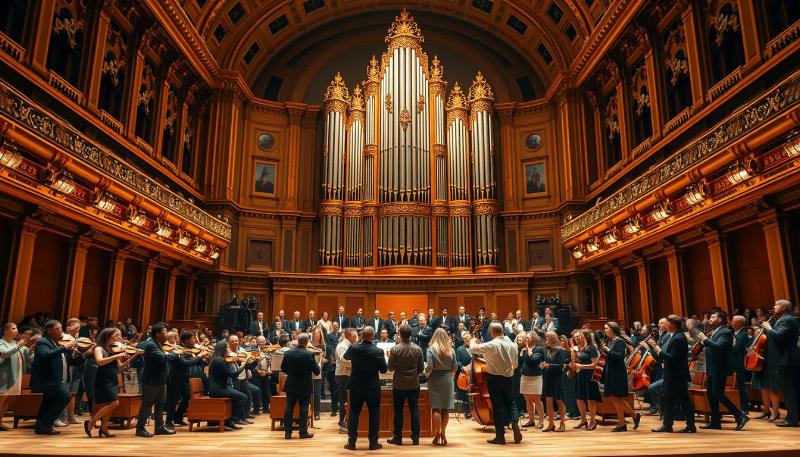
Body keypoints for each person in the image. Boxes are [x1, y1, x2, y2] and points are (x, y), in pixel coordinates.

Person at [469, 322, 521, 445]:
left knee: (497, 407)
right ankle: (514, 423)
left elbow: (472, 349)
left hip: (494, 379)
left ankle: (500, 437)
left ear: (492, 332)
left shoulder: (492, 344)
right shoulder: (513, 345)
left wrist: (472, 340)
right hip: (509, 378)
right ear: (503, 331)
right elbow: (516, 365)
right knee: (511, 404)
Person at [85, 327, 141, 437]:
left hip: (112, 380)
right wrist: (118, 355)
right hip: (103, 380)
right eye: (115, 336)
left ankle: (104, 428)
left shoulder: (112, 350)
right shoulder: (99, 348)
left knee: (110, 404)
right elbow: (100, 362)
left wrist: (134, 355)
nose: (118, 338)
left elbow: (119, 368)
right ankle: (91, 422)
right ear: (107, 336)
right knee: (115, 403)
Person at [698, 311, 748, 430]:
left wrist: (705, 340)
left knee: (718, 393)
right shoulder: (715, 331)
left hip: (720, 368)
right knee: (711, 394)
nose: (710, 319)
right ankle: (715, 421)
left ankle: (740, 415)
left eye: (713, 317)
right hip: (712, 367)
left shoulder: (725, 332)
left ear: (720, 320)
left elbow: (719, 347)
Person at [647, 315, 695, 433]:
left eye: (667, 323)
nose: (665, 325)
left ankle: (673, 425)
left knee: (679, 400)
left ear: (673, 324)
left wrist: (657, 349)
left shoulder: (678, 338)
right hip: (674, 374)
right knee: (674, 400)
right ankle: (677, 425)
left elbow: (673, 358)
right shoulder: (674, 336)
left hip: (676, 375)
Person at [30, 320, 78, 435]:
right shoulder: (43, 342)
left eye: (61, 328)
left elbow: (66, 361)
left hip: (56, 379)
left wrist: (85, 354)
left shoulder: (56, 342)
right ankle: (45, 423)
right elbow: (45, 355)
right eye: (58, 329)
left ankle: (41, 425)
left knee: (48, 401)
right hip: (48, 379)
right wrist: (65, 347)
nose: (61, 331)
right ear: (49, 330)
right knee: (65, 397)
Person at [343, 326, 387, 451]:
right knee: (374, 414)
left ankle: (351, 442)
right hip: (372, 387)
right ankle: (373, 443)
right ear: (373, 336)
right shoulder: (378, 351)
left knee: (354, 413)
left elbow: (346, 357)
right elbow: (384, 369)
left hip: (356, 385)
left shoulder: (354, 347)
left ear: (362, 335)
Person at [135, 322, 179, 437]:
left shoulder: (158, 344)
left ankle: (159, 427)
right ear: (157, 334)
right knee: (147, 404)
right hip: (152, 380)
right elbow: (163, 358)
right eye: (164, 333)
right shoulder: (151, 345)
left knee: (160, 403)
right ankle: (140, 428)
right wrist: (175, 353)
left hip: (160, 379)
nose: (166, 335)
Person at [762, 299, 800, 427]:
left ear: (784, 307)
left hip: (786, 359)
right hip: (784, 359)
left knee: (790, 390)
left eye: (776, 305)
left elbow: (779, 336)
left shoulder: (787, 319)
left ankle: (792, 420)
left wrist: (768, 328)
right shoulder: (783, 318)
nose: (774, 306)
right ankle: (793, 417)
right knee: (790, 390)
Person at [386, 323, 424, 446]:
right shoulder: (418, 349)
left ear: (400, 335)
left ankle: (397, 437)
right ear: (411, 334)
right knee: (415, 410)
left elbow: (390, 368)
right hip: (414, 384)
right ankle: (416, 438)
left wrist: (390, 358)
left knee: (398, 411)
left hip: (399, 385)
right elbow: (421, 369)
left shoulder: (395, 349)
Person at [280, 332, 320, 439]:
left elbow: (283, 368)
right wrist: (318, 363)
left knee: (289, 406)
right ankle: (303, 433)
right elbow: (317, 371)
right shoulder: (309, 354)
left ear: (298, 340)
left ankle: (287, 433)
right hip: (305, 385)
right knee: (304, 407)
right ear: (307, 342)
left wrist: (292, 373)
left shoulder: (288, 353)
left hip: (291, 384)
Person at [165, 331, 207, 428]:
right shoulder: (177, 349)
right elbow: (185, 363)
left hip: (184, 378)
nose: (195, 340)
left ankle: (178, 418)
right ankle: (168, 422)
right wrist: (199, 356)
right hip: (175, 379)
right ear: (186, 340)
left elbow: (194, 362)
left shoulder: (189, 350)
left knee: (187, 396)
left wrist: (203, 359)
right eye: (193, 339)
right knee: (173, 401)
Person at [603, 321, 640, 432]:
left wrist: (607, 350)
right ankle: (624, 421)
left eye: (606, 328)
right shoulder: (610, 341)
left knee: (617, 397)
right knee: (615, 398)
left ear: (613, 329)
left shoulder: (620, 342)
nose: (605, 330)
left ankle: (625, 421)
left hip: (617, 373)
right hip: (611, 372)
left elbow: (619, 357)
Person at [425, 328, 457, 446]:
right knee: (445, 408)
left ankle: (437, 432)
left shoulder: (431, 349)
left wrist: (426, 374)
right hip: (448, 379)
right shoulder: (451, 350)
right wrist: (450, 377)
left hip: (435, 379)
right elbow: (455, 368)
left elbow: (429, 367)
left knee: (436, 408)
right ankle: (443, 432)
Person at [208, 341, 250, 430]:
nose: (229, 349)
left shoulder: (218, 359)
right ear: (223, 349)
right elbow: (232, 375)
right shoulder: (219, 361)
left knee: (238, 397)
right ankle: (231, 421)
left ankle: (229, 420)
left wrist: (248, 365)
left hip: (221, 387)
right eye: (227, 347)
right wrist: (243, 366)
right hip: (218, 389)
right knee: (243, 397)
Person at [0, 322, 33, 431]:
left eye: (16, 328)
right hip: (4, 376)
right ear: (6, 331)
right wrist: (19, 345)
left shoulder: (15, 343)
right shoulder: (1, 343)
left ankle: (0, 422)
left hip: (15, 375)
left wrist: (31, 349)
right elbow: (4, 354)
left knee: (6, 401)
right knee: (1, 399)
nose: (16, 330)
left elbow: (26, 357)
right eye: (13, 328)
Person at [572, 329, 601, 430]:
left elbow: (594, 365)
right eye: (576, 337)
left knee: (590, 399)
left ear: (585, 337)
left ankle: (592, 421)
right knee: (579, 398)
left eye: (580, 336)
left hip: (589, 376)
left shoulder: (591, 348)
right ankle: (583, 420)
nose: (578, 338)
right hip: (580, 376)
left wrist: (581, 366)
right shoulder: (579, 348)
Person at [540, 331, 568, 432]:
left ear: (552, 339)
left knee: (559, 400)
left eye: (547, 338)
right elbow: (547, 362)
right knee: (548, 400)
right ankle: (551, 423)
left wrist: (549, 365)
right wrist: (543, 365)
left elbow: (561, 366)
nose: (545, 340)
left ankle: (562, 423)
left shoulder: (559, 350)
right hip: (548, 377)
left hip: (557, 378)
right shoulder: (547, 350)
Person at [519, 331, 545, 428]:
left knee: (537, 400)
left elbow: (533, 360)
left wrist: (528, 349)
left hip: (535, 378)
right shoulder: (525, 349)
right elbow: (521, 361)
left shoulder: (539, 349)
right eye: (525, 338)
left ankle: (541, 421)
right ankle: (531, 420)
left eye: (528, 338)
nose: (526, 339)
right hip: (525, 377)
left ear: (533, 339)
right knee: (527, 400)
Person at [335, 328, 356, 433]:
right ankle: (342, 424)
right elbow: (344, 361)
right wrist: (358, 364)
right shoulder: (342, 346)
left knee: (346, 400)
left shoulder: (348, 345)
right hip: (343, 375)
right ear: (350, 336)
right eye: (355, 336)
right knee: (344, 400)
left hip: (346, 375)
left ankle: (345, 422)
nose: (356, 338)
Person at [730, 315, 750, 415]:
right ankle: (740, 406)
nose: (731, 322)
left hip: (738, 363)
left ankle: (745, 408)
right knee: (737, 385)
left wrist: (728, 345)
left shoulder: (742, 334)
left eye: (733, 321)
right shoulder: (736, 333)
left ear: (739, 323)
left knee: (740, 385)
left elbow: (737, 349)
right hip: (734, 362)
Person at [310, 327, 327, 420]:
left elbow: (324, 358)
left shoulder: (322, 345)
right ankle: (309, 411)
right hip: (308, 370)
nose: (317, 334)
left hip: (318, 371)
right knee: (309, 393)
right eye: (315, 333)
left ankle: (316, 412)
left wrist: (323, 359)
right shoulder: (309, 344)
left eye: (318, 333)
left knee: (317, 393)